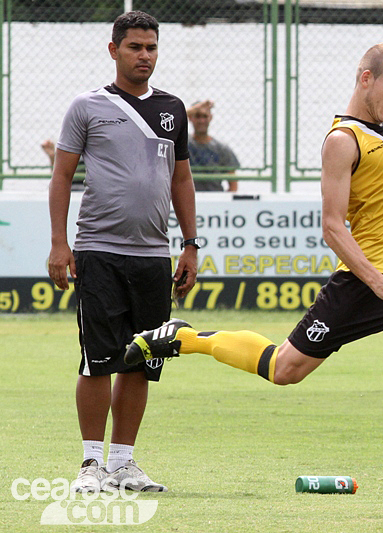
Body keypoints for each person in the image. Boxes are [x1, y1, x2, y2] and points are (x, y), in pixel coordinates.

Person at [126, 43, 383, 516]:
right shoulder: (343, 139)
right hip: (367, 283)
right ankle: (184, 337)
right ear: (365, 79)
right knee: (285, 369)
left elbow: (381, 188)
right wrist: (374, 280)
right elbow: (333, 226)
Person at [47, 11, 199, 493]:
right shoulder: (87, 106)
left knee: (143, 360)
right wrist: (58, 242)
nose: (145, 56)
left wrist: (190, 245)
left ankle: (123, 464)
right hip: (98, 250)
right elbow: (62, 176)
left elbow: (181, 178)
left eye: (151, 48)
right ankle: (90, 465)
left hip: (154, 255)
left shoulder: (173, 109)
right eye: (135, 47)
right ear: (113, 50)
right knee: (97, 359)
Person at [186, 99, 239, 192]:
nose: (201, 121)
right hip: (189, 197)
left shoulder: (221, 148)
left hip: (214, 197)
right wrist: (194, 109)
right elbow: (175, 119)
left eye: (205, 116)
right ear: (190, 118)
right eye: (197, 116)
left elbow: (233, 183)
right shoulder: (183, 144)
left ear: (210, 118)